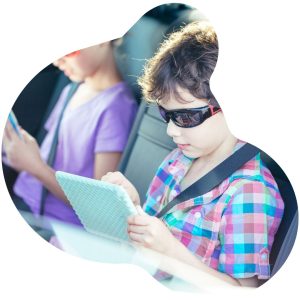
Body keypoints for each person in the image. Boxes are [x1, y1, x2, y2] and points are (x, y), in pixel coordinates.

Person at [100, 22, 284, 287]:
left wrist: (172, 253)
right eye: (166, 115)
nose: (171, 130)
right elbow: (153, 235)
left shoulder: (249, 192)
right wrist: (131, 208)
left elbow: (244, 290)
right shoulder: (176, 161)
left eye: (185, 117)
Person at [3, 41, 138, 226]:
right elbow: (53, 155)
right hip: (25, 200)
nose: (58, 61)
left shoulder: (116, 108)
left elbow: (99, 201)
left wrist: (34, 166)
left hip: (57, 223)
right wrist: (21, 156)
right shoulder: (72, 89)